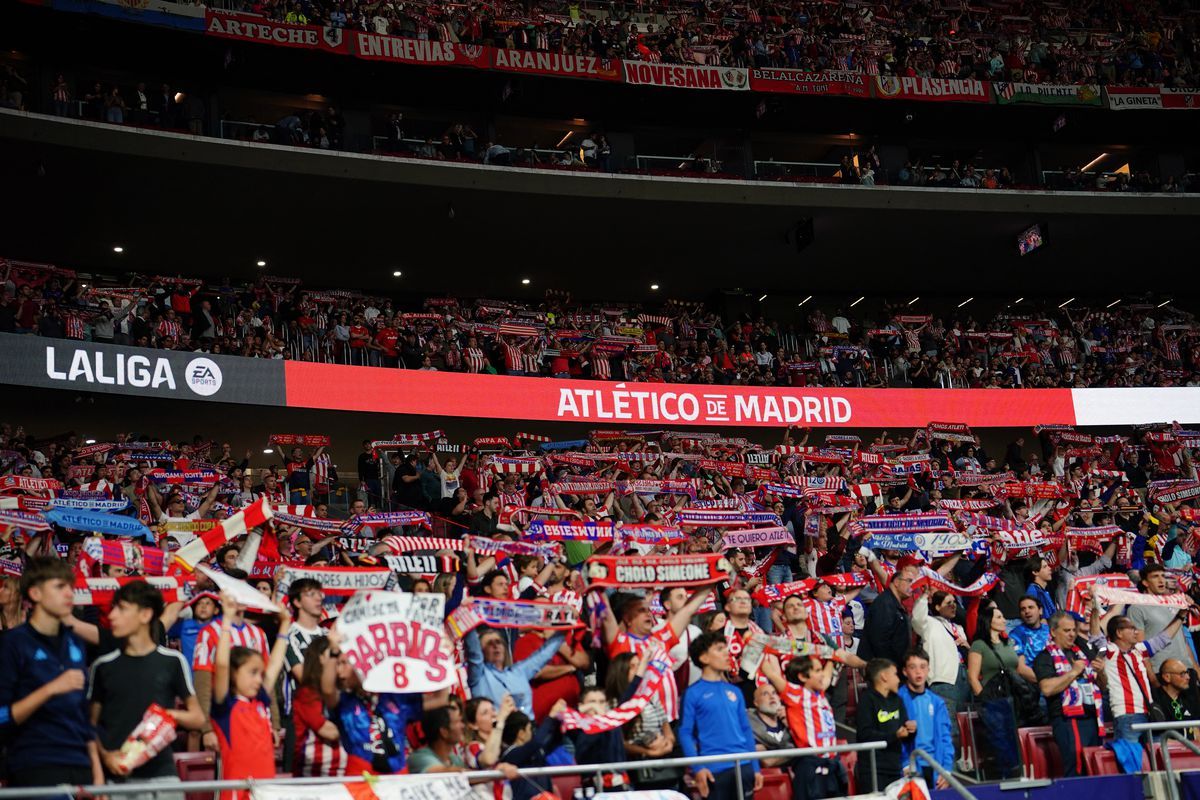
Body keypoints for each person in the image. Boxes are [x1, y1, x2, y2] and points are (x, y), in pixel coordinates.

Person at [89, 582, 206, 797]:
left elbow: (197, 718)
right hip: (117, 781)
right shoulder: (103, 666)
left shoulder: (172, 661)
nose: (112, 615)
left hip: (163, 779)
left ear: (145, 615)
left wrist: (167, 715)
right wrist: (105, 758)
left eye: (122, 608)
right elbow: (90, 726)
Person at [0, 557, 102, 789]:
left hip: (81, 768)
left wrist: (97, 774)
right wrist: (51, 689)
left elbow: (83, 716)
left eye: (71, 587)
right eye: (59, 587)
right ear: (35, 594)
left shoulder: (75, 642)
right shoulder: (13, 644)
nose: (69, 594)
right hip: (36, 767)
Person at [210, 591, 292, 800]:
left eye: (260, 674)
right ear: (233, 673)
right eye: (252, 673)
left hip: (266, 793)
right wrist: (227, 620)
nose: (259, 679)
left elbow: (274, 664)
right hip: (236, 794)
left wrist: (284, 625)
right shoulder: (224, 705)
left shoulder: (260, 701)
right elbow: (221, 664)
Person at [679, 631, 763, 800]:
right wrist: (698, 768)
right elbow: (685, 733)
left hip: (743, 765)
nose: (727, 653)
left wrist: (755, 767)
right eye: (719, 649)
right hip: (714, 769)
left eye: (726, 648)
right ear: (704, 658)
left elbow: (746, 730)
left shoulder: (735, 691)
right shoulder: (693, 693)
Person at [760, 653, 846, 800]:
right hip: (811, 766)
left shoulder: (820, 693)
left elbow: (826, 676)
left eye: (821, 670)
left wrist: (831, 656)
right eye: (817, 671)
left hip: (832, 765)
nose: (822, 675)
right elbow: (771, 674)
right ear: (802, 677)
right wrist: (756, 646)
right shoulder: (796, 694)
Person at [1033, 611, 1103, 777]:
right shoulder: (1045, 657)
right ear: (1052, 632)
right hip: (1068, 720)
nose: (1072, 634)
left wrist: (1102, 672)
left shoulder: (1081, 653)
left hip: (1092, 716)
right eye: (1066, 630)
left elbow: (1102, 685)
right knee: (1077, 768)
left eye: (1073, 630)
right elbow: (1047, 689)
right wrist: (1073, 672)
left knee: (1094, 768)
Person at [966, 602, 1023, 779]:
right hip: (994, 702)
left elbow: (1018, 669)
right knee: (1001, 745)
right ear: (988, 621)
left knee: (1016, 742)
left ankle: (1018, 778)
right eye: (999, 617)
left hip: (1013, 699)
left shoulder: (1009, 642)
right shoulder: (979, 645)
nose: (1004, 619)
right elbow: (973, 677)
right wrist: (984, 701)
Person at [465, 626, 565, 716]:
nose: (495, 646)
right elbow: (474, 652)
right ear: (482, 651)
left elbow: (545, 654)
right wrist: (468, 618)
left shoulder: (519, 671)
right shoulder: (480, 676)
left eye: (498, 642)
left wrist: (566, 626)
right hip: (497, 731)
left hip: (528, 730)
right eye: (489, 644)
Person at [898, 649, 954, 788]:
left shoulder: (937, 702)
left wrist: (946, 770)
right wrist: (905, 765)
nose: (918, 672)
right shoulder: (897, 700)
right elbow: (896, 738)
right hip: (910, 769)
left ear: (929, 669)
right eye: (913, 667)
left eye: (923, 667)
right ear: (905, 671)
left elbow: (945, 738)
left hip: (935, 768)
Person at [1128, 562, 1198, 672]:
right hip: (1162, 671)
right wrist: (1152, 678)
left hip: (1187, 669)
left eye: (1163, 576)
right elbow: (1140, 649)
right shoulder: (1136, 608)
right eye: (1155, 576)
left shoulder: (1175, 604)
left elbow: (1183, 641)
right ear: (1145, 582)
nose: (1161, 580)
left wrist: (1196, 668)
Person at [292, 638, 345, 777]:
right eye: (333, 654)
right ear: (321, 658)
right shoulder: (307, 694)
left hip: (342, 773)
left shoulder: (343, 691)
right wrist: (357, 725)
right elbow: (329, 731)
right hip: (314, 775)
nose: (338, 658)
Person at [855, 658, 911, 789]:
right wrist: (894, 736)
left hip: (895, 768)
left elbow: (904, 732)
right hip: (873, 771)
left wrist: (911, 731)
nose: (898, 679)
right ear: (884, 676)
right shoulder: (867, 700)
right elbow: (865, 734)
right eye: (895, 674)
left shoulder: (897, 700)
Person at [860, 565, 917, 667]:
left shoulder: (894, 603)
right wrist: (890, 667)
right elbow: (880, 641)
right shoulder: (884, 603)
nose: (912, 586)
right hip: (884, 670)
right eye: (909, 581)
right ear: (896, 582)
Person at [746, 682, 795, 767]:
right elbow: (767, 761)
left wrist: (790, 724)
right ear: (756, 703)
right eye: (765, 694)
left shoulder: (790, 720)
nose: (772, 697)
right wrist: (796, 752)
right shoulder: (750, 725)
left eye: (774, 693)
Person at [409, 705, 468, 773]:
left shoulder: (454, 758)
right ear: (444, 732)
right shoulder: (418, 758)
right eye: (457, 722)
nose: (463, 726)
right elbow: (446, 773)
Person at [1153, 658, 1200, 738]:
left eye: (1187, 673)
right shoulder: (1154, 699)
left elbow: (1197, 731)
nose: (1188, 677)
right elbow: (1157, 738)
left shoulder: (1189, 698)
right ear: (1167, 677)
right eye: (1182, 674)